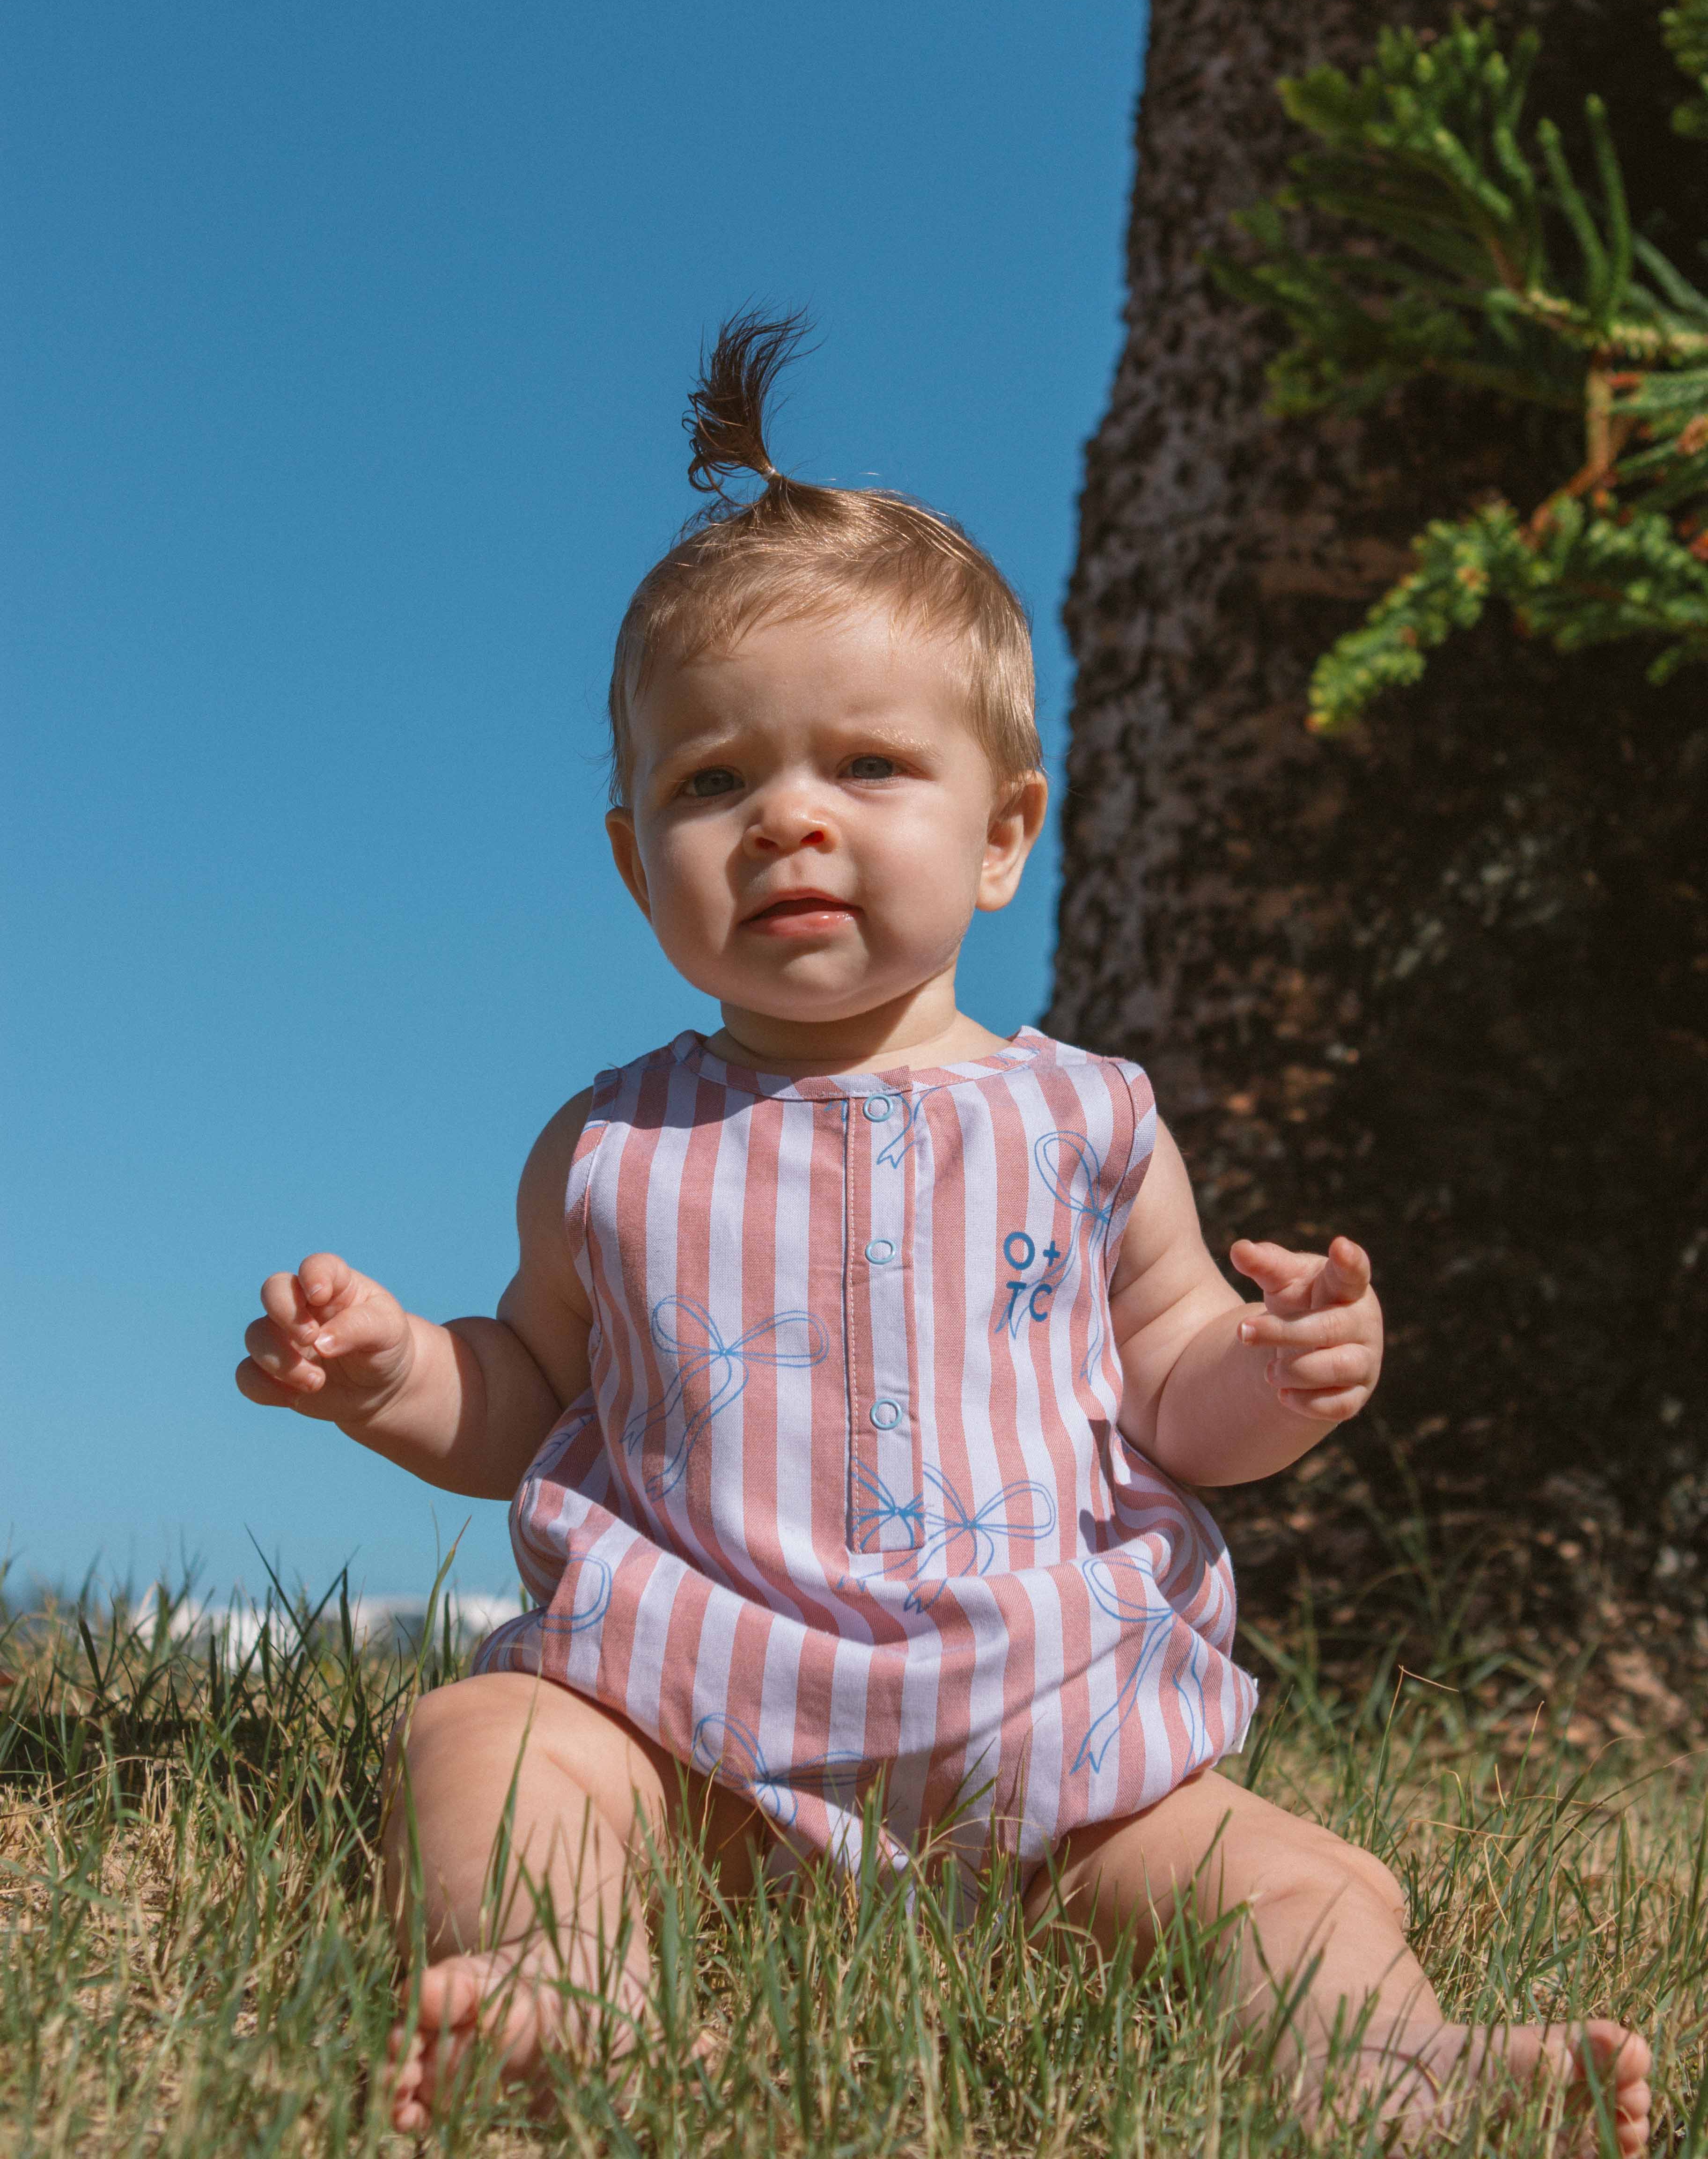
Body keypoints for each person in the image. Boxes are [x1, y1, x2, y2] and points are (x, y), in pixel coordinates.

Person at [238, 313, 1651, 2150]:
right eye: (713, 782)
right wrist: (395, 1371)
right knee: (487, 1746)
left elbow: (1169, 1394)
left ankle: (1391, 2063)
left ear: (1005, 833)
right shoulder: (609, 1146)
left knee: (1303, 1887)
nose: (788, 821)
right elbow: (530, 1395)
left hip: (1061, 1750)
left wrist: (1285, 1372)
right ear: (627, 855)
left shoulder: (1088, 1124)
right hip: (688, 1731)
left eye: (869, 769)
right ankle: (554, 1977)